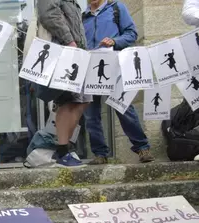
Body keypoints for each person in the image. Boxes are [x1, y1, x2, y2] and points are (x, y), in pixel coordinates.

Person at [82, 0, 154, 164]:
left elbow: (131, 34)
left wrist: (115, 41)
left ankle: (142, 147)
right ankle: (100, 154)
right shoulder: (83, 17)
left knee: (123, 108)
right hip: (89, 70)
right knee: (91, 115)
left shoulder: (116, 8)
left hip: (113, 67)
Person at [36, 0, 91, 167]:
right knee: (68, 101)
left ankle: (63, 146)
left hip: (76, 54)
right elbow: (48, 14)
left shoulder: (73, 3)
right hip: (64, 53)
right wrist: (70, 41)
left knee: (83, 100)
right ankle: (62, 150)